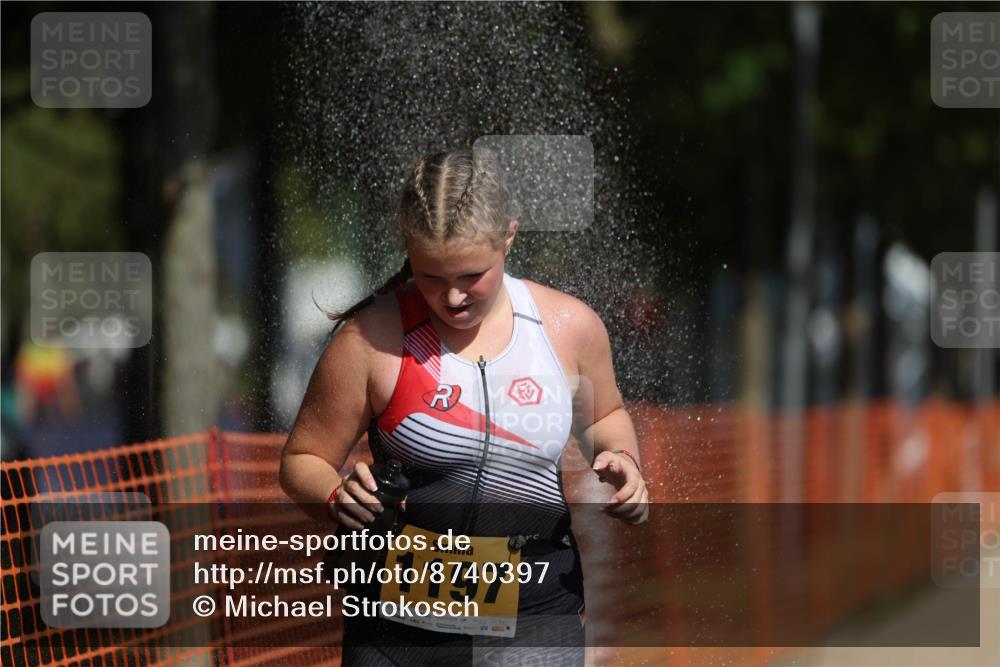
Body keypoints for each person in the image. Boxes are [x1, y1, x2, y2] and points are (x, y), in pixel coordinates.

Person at [280, 148, 648, 666]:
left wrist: (624, 463)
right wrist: (337, 495)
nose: (452, 298)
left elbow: (605, 417)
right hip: (401, 614)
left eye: (472, 274)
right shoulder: (370, 340)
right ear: (408, 249)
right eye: (431, 277)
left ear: (509, 237)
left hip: (535, 602)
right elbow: (302, 460)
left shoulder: (569, 329)